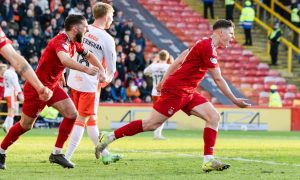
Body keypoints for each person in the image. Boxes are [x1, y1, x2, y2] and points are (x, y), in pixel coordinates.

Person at [95, 19, 251, 172]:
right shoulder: (208, 48)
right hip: (177, 90)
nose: (233, 37)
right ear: (221, 32)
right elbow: (218, 78)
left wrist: (164, 81)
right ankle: (109, 137)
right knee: (151, 124)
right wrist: (235, 100)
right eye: (231, 33)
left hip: (187, 91)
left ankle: (208, 160)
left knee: (214, 117)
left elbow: (179, 59)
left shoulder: (203, 42)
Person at [0, 14, 104, 170]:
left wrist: (101, 70)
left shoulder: (74, 43)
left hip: (53, 87)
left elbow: (88, 55)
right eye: (85, 28)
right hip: (37, 88)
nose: (87, 30)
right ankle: (1, 151)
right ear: (75, 28)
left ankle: (56, 153)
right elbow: (64, 60)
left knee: (72, 114)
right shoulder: (60, 40)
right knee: (25, 125)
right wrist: (85, 69)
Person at [65, 2, 121, 165]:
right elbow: (111, 69)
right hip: (90, 83)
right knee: (82, 120)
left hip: (74, 78)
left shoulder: (82, 28)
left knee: (91, 120)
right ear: (107, 17)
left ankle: (105, 154)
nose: (112, 20)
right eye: (111, 17)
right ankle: (67, 157)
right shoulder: (107, 38)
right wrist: (107, 79)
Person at [144, 50, 171, 140]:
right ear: (167, 57)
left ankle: (156, 133)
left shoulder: (154, 66)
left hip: (155, 93)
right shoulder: (169, 67)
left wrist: (154, 63)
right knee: (163, 114)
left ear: (158, 57)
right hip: (164, 93)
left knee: (158, 113)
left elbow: (145, 72)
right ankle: (157, 134)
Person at [2, 65, 23, 133]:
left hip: (6, 92)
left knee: (11, 110)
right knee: (12, 111)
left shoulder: (6, 72)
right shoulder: (13, 73)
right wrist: (20, 93)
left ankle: (6, 124)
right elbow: (16, 84)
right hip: (11, 93)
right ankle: (8, 127)